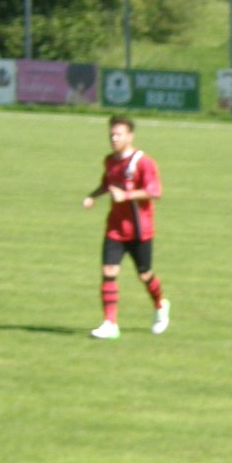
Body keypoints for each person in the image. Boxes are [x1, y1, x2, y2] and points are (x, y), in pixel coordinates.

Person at [82, 115, 170, 340]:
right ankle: (110, 323)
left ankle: (160, 305)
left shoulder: (143, 162)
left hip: (140, 230)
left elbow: (155, 191)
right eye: (111, 134)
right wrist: (92, 196)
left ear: (130, 136)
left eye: (118, 134)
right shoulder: (109, 161)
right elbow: (107, 184)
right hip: (115, 228)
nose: (114, 138)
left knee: (145, 275)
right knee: (108, 271)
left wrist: (127, 195)